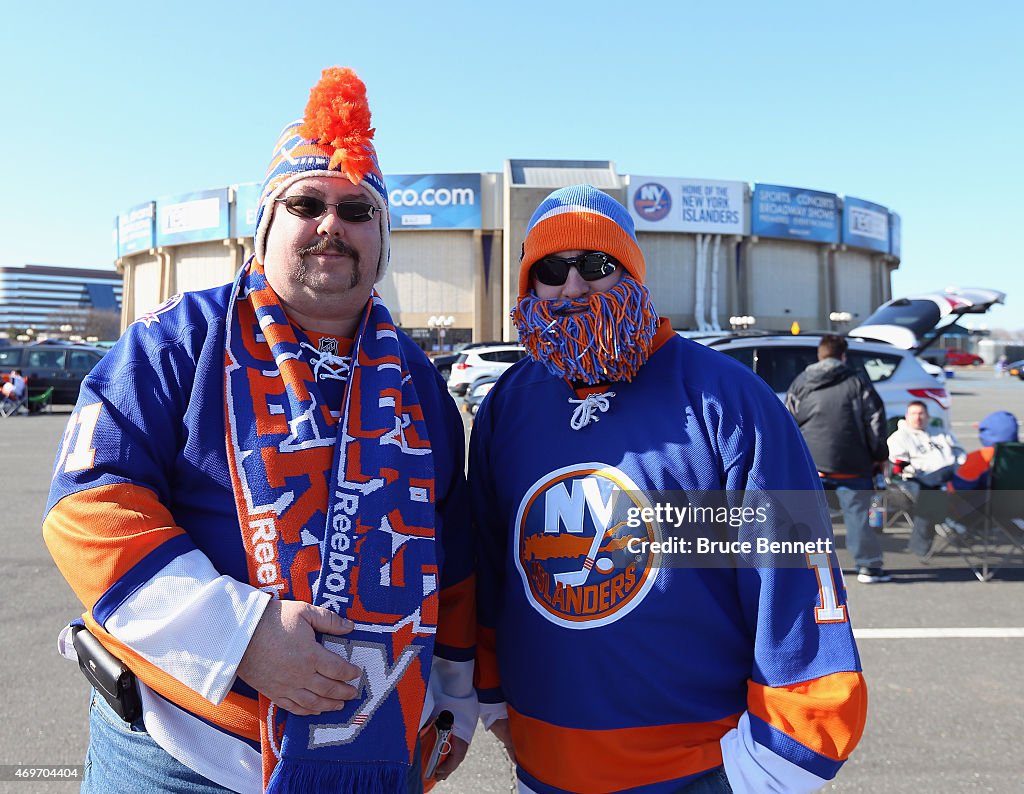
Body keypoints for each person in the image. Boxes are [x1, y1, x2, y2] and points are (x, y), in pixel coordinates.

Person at [43, 67, 476, 794]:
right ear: (266, 229)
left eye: (359, 210)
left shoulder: (419, 383)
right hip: (176, 751)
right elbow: (87, 506)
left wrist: (453, 703)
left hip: (372, 753)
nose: (333, 224)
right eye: (307, 203)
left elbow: (453, 548)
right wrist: (241, 638)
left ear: (383, 242)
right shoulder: (176, 341)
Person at [470, 185, 866, 794]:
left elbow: (793, 566)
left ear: (632, 273)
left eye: (597, 266)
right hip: (544, 772)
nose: (573, 287)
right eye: (551, 269)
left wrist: (779, 760)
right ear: (529, 286)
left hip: (697, 772)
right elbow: (492, 566)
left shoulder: (730, 400)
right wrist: (493, 698)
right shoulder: (509, 405)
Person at [786, 335, 890, 583]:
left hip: (812, 464)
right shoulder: (857, 382)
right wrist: (878, 456)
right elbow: (875, 422)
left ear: (819, 355)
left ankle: (808, 569)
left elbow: (788, 420)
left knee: (808, 518)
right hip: (851, 464)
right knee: (857, 517)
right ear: (844, 356)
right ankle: (868, 567)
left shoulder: (801, 382)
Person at [886, 401, 966, 556]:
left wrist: (960, 468)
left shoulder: (942, 433)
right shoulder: (899, 438)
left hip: (950, 475)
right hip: (917, 479)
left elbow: (960, 454)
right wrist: (913, 471)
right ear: (907, 416)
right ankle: (953, 524)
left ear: (928, 416)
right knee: (929, 495)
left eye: (921, 413)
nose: (918, 417)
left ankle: (921, 545)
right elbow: (898, 464)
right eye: (913, 414)